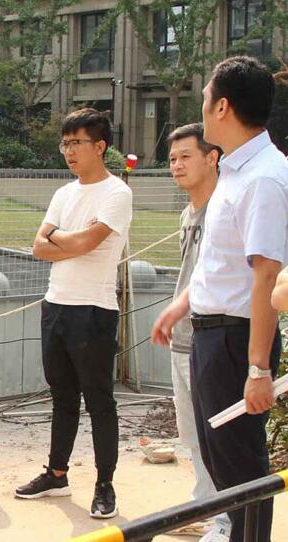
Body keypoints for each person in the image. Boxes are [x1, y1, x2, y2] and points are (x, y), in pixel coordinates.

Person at [151, 56, 288, 542]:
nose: (203, 107)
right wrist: (182, 304)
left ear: (223, 106)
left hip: (236, 341)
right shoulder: (234, 171)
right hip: (212, 335)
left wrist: (257, 369)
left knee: (241, 469)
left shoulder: (264, 178)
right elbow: (221, 264)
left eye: (206, 98)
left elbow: (265, 277)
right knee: (219, 463)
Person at [15, 109, 132, 519]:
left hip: (94, 309)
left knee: (99, 400)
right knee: (62, 396)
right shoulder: (63, 194)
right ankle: (56, 473)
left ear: (100, 146)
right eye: (64, 143)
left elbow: (86, 243)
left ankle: (104, 483)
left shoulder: (117, 193)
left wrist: (59, 238)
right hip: (56, 304)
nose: (68, 151)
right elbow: (38, 247)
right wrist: (70, 240)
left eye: (76, 143)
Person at [163, 123, 231, 541]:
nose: (177, 165)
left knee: (219, 435)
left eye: (186, 156)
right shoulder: (187, 213)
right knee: (191, 434)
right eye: (172, 158)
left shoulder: (226, 209)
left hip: (214, 335)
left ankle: (227, 519)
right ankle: (205, 505)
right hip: (182, 338)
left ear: (212, 157)